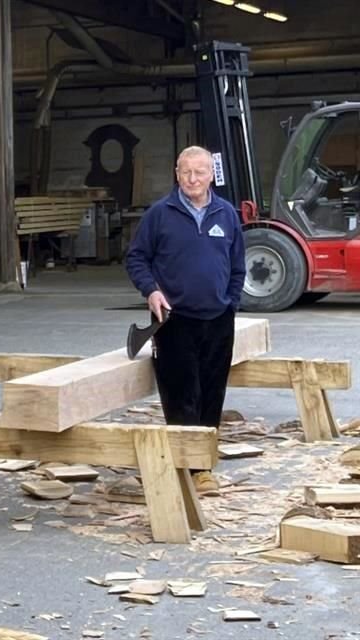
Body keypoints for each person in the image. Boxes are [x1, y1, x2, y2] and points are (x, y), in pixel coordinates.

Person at [125, 145, 246, 492]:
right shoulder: (160, 214)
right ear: (177, 174)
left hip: (218, 319)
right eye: (186, 172)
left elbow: (238, 265)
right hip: (173, 319)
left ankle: (203, 464)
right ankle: (187, 466)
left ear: (211, 175)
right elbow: (136, 259)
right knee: (181, 394)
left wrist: (231, 303)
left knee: (211, 392)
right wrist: (151, 291)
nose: (193, 179)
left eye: (200, 172)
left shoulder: (226, 214)